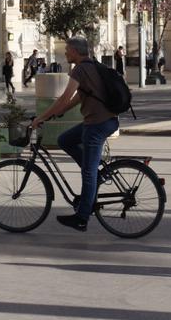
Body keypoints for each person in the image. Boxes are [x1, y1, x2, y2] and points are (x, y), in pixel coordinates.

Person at [32, 37, 118, 232]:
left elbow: (64, 97)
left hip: (97, 125)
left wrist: (41, 117)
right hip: (105, 121)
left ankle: (82, 217)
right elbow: (81, 96)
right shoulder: (93, 65)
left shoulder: (79, 69)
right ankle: (97, 175)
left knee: (88, 172)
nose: (65, 53)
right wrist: (60, 111)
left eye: (68, 50)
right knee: (65, 140)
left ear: (76, 52)